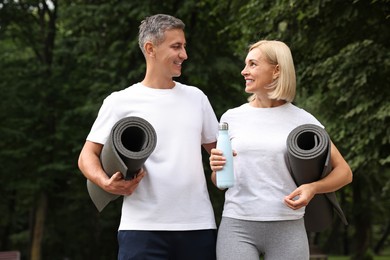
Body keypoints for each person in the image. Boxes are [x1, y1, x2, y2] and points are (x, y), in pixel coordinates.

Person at [78, 14, 219, 260]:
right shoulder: (120, 101)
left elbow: (223, 154)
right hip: (141, 228)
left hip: (197, 226)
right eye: (176, 46)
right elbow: (87, 155)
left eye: (184, 46)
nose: (184, 54)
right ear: (150, 49)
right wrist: (105, 182)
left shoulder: (197, 98)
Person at [209, 40, 353, 259]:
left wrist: (313, 188)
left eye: (253, 64)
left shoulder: (303, 120)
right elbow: (220, 182)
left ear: (276, 70)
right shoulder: (231, 118)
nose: (244, 71)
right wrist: (217, 169)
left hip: (288, 226)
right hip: (237, 225)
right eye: (245, 64)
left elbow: (344, 172)